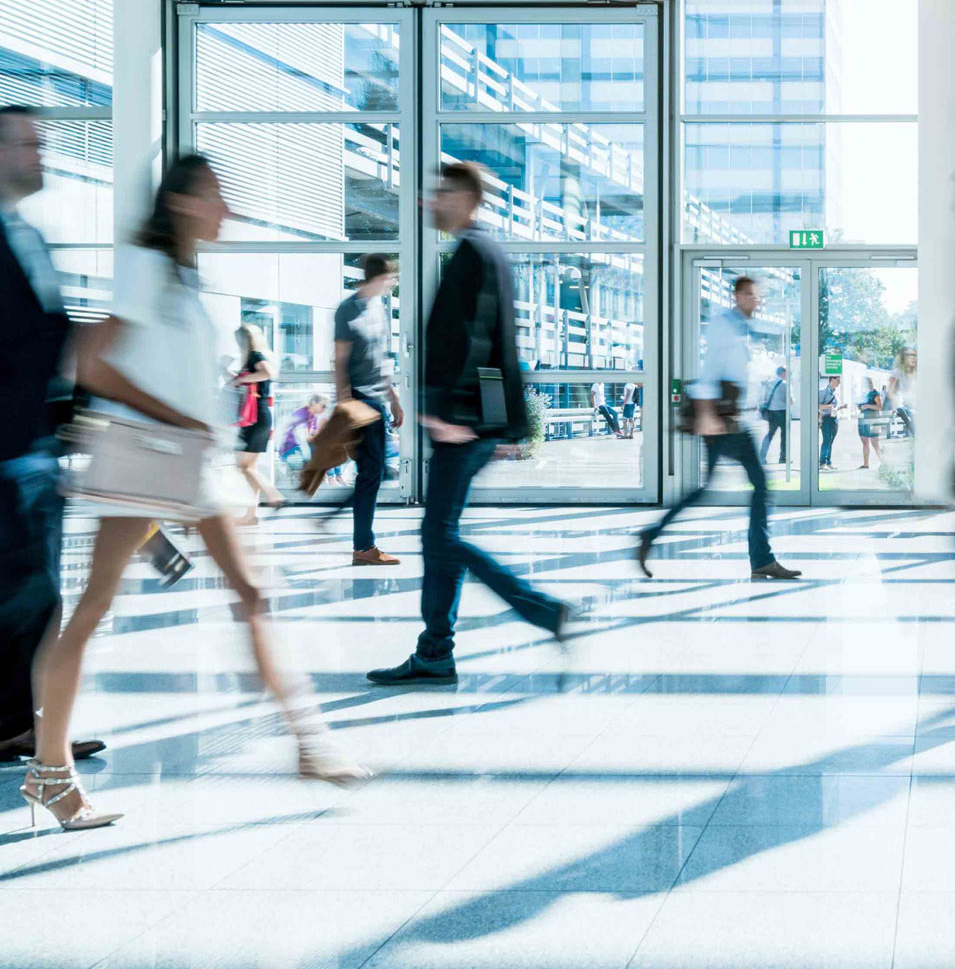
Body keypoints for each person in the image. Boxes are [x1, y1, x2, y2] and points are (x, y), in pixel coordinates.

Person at [34, 155, 365, 829]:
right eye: (217, 196)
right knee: (94, 609)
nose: (227, 210)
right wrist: (178, 418)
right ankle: (49, 772)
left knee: (252, 595)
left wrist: (195, 426)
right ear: (182, 202)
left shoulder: (185, 277)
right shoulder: (149, 269)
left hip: (192, 465)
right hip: (147, 461)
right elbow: (92, 361)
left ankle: (310, 744)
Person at [369, 163, 577, 685]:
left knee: (440, 536)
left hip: (463, 423)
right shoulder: (485, 251)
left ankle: (537, 609)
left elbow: (474, 339)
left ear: (465, 196)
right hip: (473, 420)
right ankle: (436, 649)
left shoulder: (476, 253)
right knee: (441, 535)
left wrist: (449, 415)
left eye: (439, 192)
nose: (430, 201)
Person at [0, 105, 107, 769]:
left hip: (35, 449)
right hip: (8, 453)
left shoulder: (29, 235)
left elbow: (47, 346)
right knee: (26, 589)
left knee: (34, 589)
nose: (41, 154)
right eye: (26, 144)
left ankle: (23, 724)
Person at [636, 275, 797, 581]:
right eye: (750, 295)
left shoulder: (743, 330)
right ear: (736, 296)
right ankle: (762, 559)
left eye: (758, 295)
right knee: (759, 486)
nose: (756, 300)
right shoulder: (725, 326)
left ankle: (650, 536)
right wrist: (707, 414)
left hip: (735, 420)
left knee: (709, 490)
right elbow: (709, 373)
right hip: (723, 422)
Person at [334, 255, 404, 565]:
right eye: (390, 279)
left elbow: (381, 362)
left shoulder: (379, 309)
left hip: (377, 400)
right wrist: (344, 405)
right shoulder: (347, 309)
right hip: (359, 400)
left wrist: (394, 399)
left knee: (371, 472)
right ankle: (362, 545)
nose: (392, 285)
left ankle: (357, 538)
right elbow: (339, 362)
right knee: (370, 472)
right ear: (377, 278)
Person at [229, 323, 282, 525]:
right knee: (249, 466)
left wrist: (239, 381)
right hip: (260, 415)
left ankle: (274, 494)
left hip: (254, 417)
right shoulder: (261, 355)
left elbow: (266, 373)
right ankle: (251, 515)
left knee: (244, 466)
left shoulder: (254, 356)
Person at [758, 365, 790, 465]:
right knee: (785, 436)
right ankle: (783, 458)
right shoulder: (784, 384)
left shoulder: (769, 383)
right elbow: (789, 400)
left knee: (770, 435)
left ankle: (762, 457)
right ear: (783, 373)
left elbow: (764, 397)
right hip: (782, 412)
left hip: (771, 412)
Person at [857, 385, 885, 470]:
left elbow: (880, 407)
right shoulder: (862, 394)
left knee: (875, 443)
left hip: (873, 421)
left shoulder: (874, 393)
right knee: (865, 442)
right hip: (863, 421)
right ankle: (866, 464)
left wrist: (868, 406)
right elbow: (860, 406)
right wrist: (860, 407)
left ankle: (884, 462)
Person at [818, 374, 842, 469]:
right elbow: (817, 405)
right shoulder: (823, 392)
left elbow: (834, 407)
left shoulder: (836, 393)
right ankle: (822, 462)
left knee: (831, 441)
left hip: (834, 419)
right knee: (826, 440)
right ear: (832, 380)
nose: (839, 382)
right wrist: (828, 407)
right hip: (825, 418)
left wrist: (841, 407)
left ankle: (828, 462)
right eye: (838, 380)